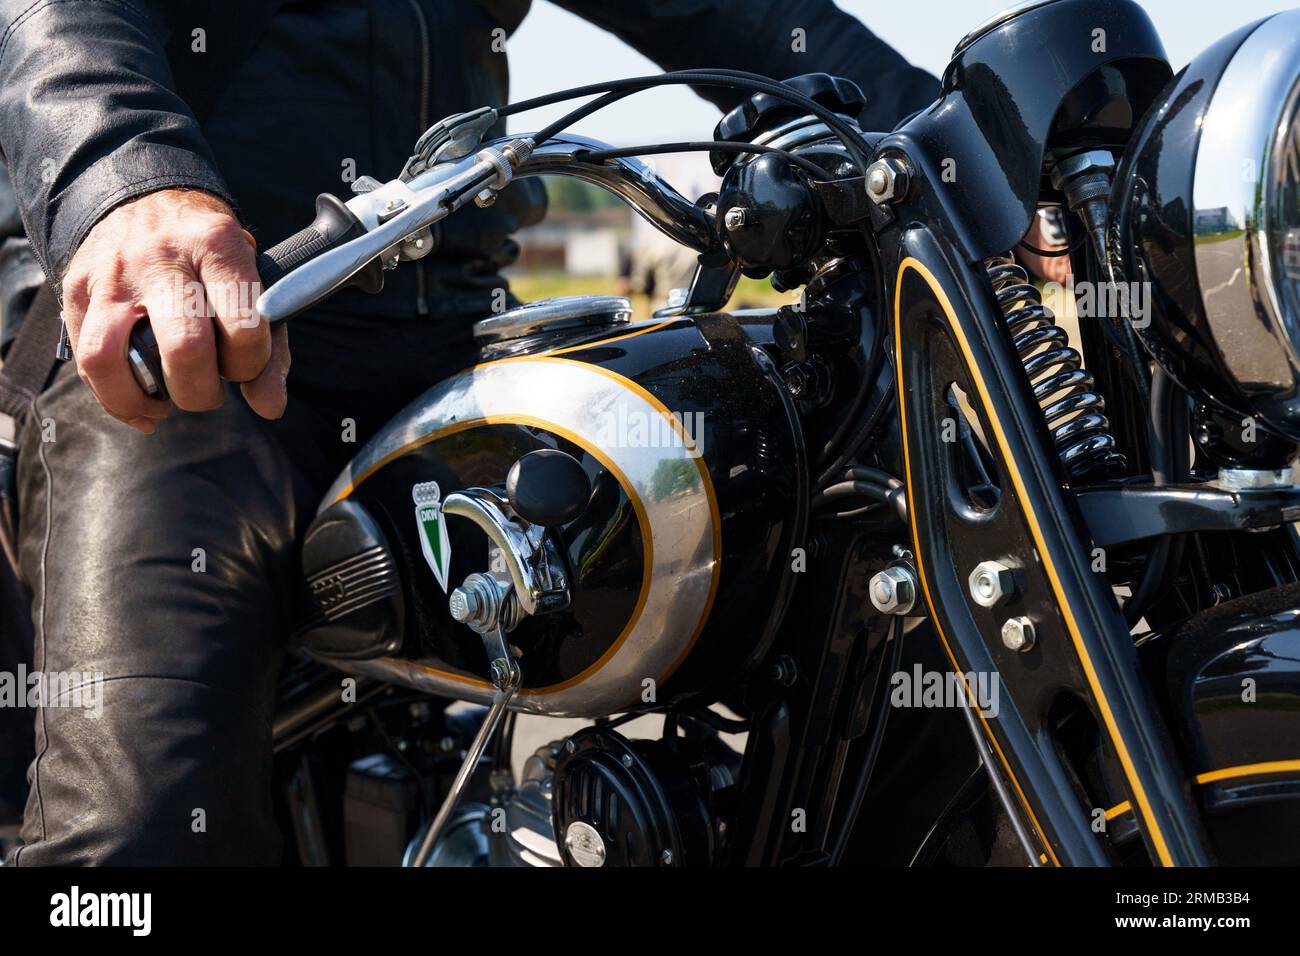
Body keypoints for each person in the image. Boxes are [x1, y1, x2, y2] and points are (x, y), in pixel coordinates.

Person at [0, 0, 937, 864]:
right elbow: (59, 16)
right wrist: (129, 178)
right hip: (192, 338)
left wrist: (961, 142)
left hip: (453, 330)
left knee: (866, 611)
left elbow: (736, 11)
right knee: (141, 831)